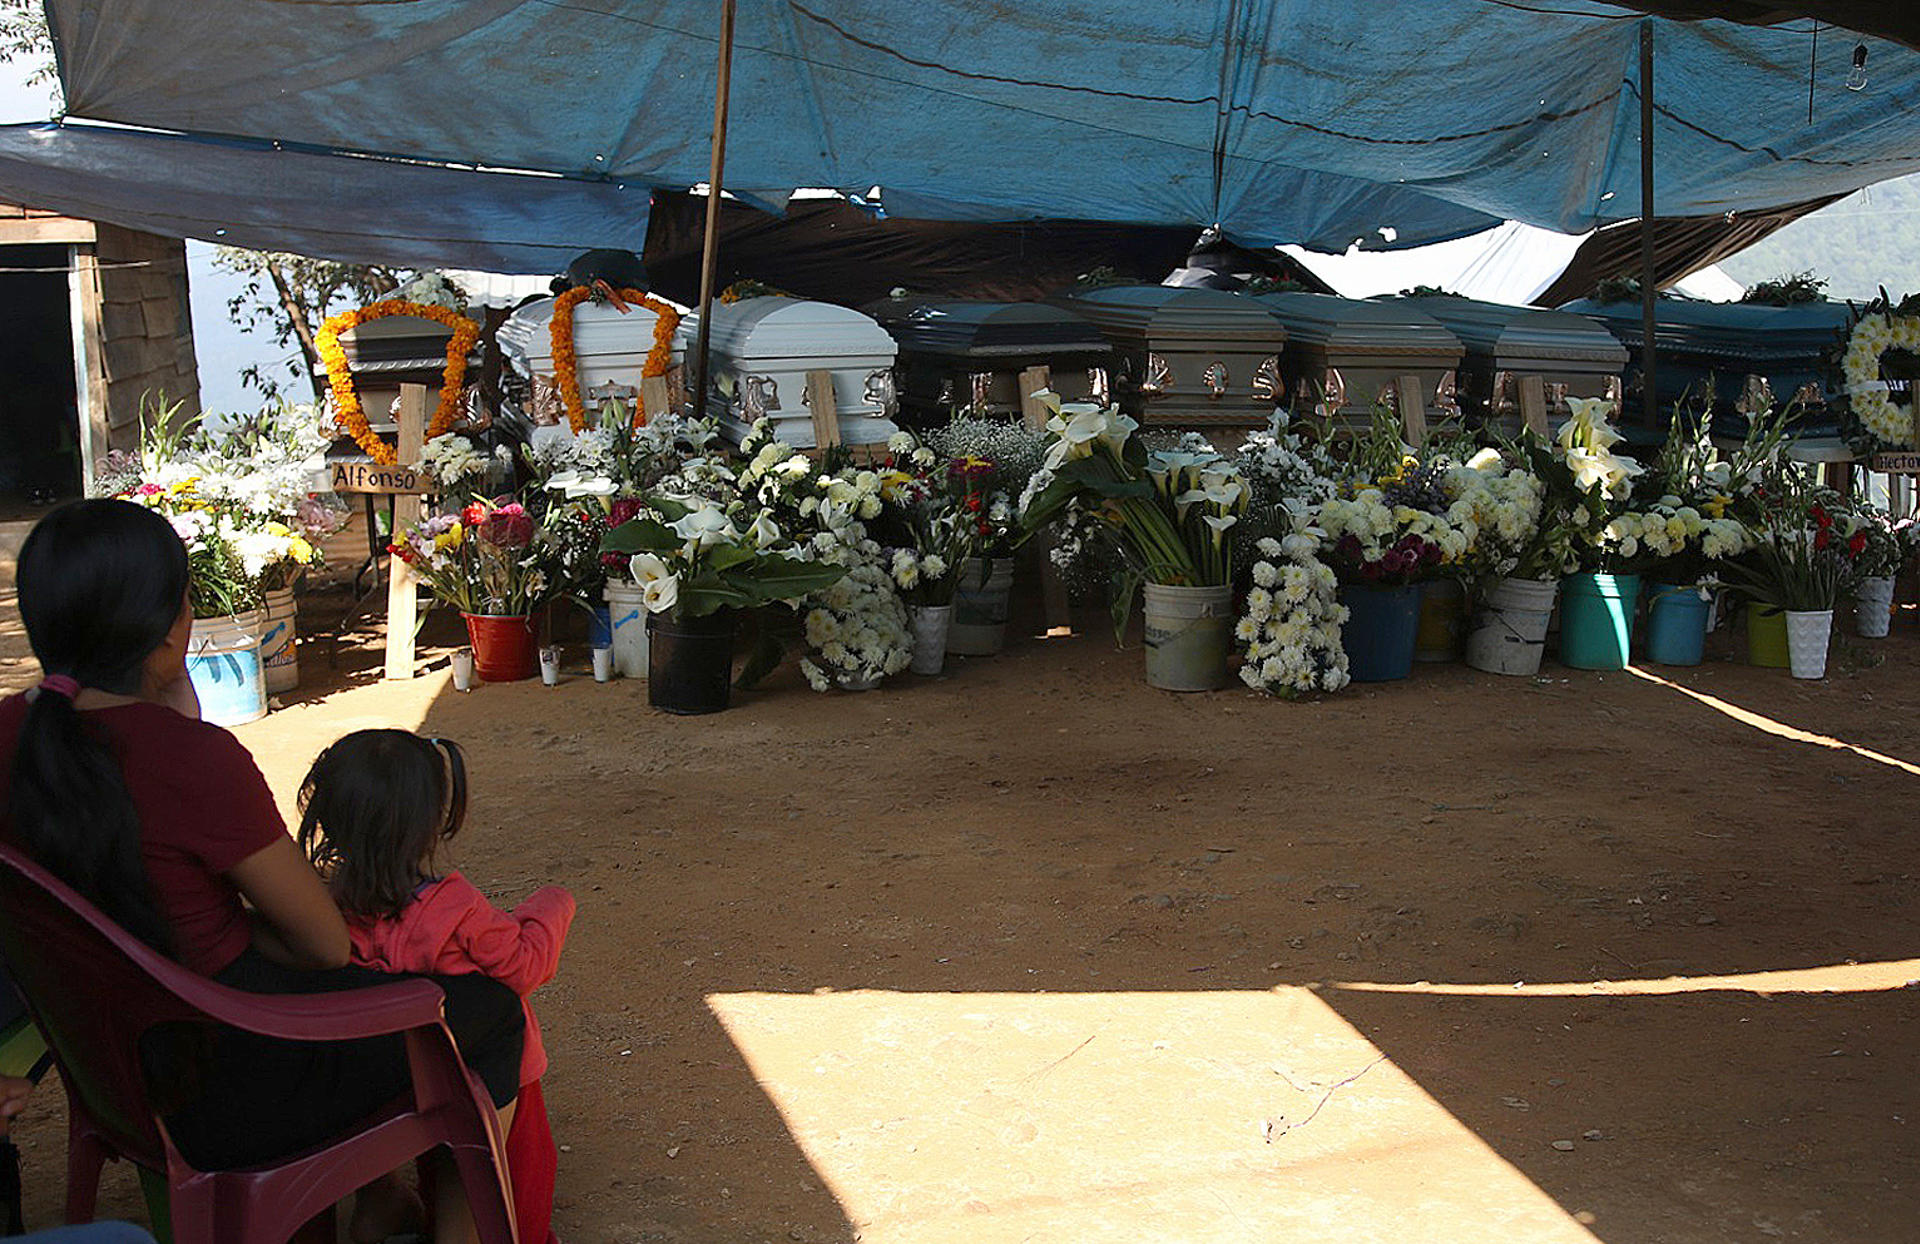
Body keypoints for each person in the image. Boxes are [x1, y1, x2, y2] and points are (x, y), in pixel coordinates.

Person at [0, 499, 525, 1244]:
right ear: (170, 627)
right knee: (487, 1010)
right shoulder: (190, 762)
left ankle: (378, 1205)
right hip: (227, 1083)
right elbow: (322, 945)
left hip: (107, 1067)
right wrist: (183, 721)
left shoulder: (11, 736)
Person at [299, 730, 575, 1244]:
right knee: (515, 1181)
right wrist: (552, 904)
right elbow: (523, 964)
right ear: (430, 826)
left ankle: (376, 1209)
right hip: (479, 1071)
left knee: (437, 1163)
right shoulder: (455, 908)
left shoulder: (324, 912)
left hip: (387, 1074)